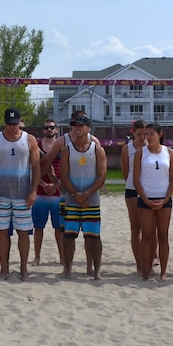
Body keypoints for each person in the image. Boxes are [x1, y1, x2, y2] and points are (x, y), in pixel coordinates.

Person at [0, 107, 41, 281]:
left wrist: (33, 191)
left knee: (23, 232)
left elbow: (36, 166)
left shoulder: (29, 140)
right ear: (4, 122)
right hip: (1, 193)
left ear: (20, 121)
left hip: (23, 194)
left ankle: (23, 268)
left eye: (14, 123)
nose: (11, 127)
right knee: (2, 232)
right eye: (9, 123)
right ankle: (4, 268)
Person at [58, 115, 106, 280]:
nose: (77, 128)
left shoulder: (97, 149)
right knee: (69, 235)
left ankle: (97, 270)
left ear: (88, 128)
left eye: (81, 125)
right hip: (72, 198)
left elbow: (102, 176)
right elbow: (63, 176)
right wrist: (75, 195)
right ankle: (68, 268)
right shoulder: (67, 150)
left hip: (91, 199)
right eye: (74, 126)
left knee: (93, 236)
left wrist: (85, 195)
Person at [133, 121, 173, 281]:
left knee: (163, 235)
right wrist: (145, 199)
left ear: (160, 135)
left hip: (164, 199)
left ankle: (163, 272)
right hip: (146, 198)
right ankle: (145, 271)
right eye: (146, 134)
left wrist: (166, 198)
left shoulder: (169, 152)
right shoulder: (141, 153)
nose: (148, 137)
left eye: (151, 133)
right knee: (147, 235)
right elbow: (136, 180)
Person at [32, 118, 64, 266]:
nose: (49, 130)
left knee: (59, 228)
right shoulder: (37, 146)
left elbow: (67, 170)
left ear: (56, 129)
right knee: (38, 227)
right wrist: (44, 184)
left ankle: (63, 258)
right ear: (42, 130)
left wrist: (56, 185)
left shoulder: (63, 146)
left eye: (52, 127)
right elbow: (32, 169)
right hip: (40, 191)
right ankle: (37, 257)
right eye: (46, 128)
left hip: (59, 192)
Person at [121, 119, 148, 276]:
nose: (142, 137)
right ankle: (139, 263)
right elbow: (125, 172)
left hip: (149, 189)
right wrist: (133, 183)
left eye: (145, 134)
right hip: (132, 189)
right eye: (139, 134)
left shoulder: (150, 148)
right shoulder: (127, 149)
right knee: (135, 227)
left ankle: (150, 258)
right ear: (133, 134)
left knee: (150, 228)